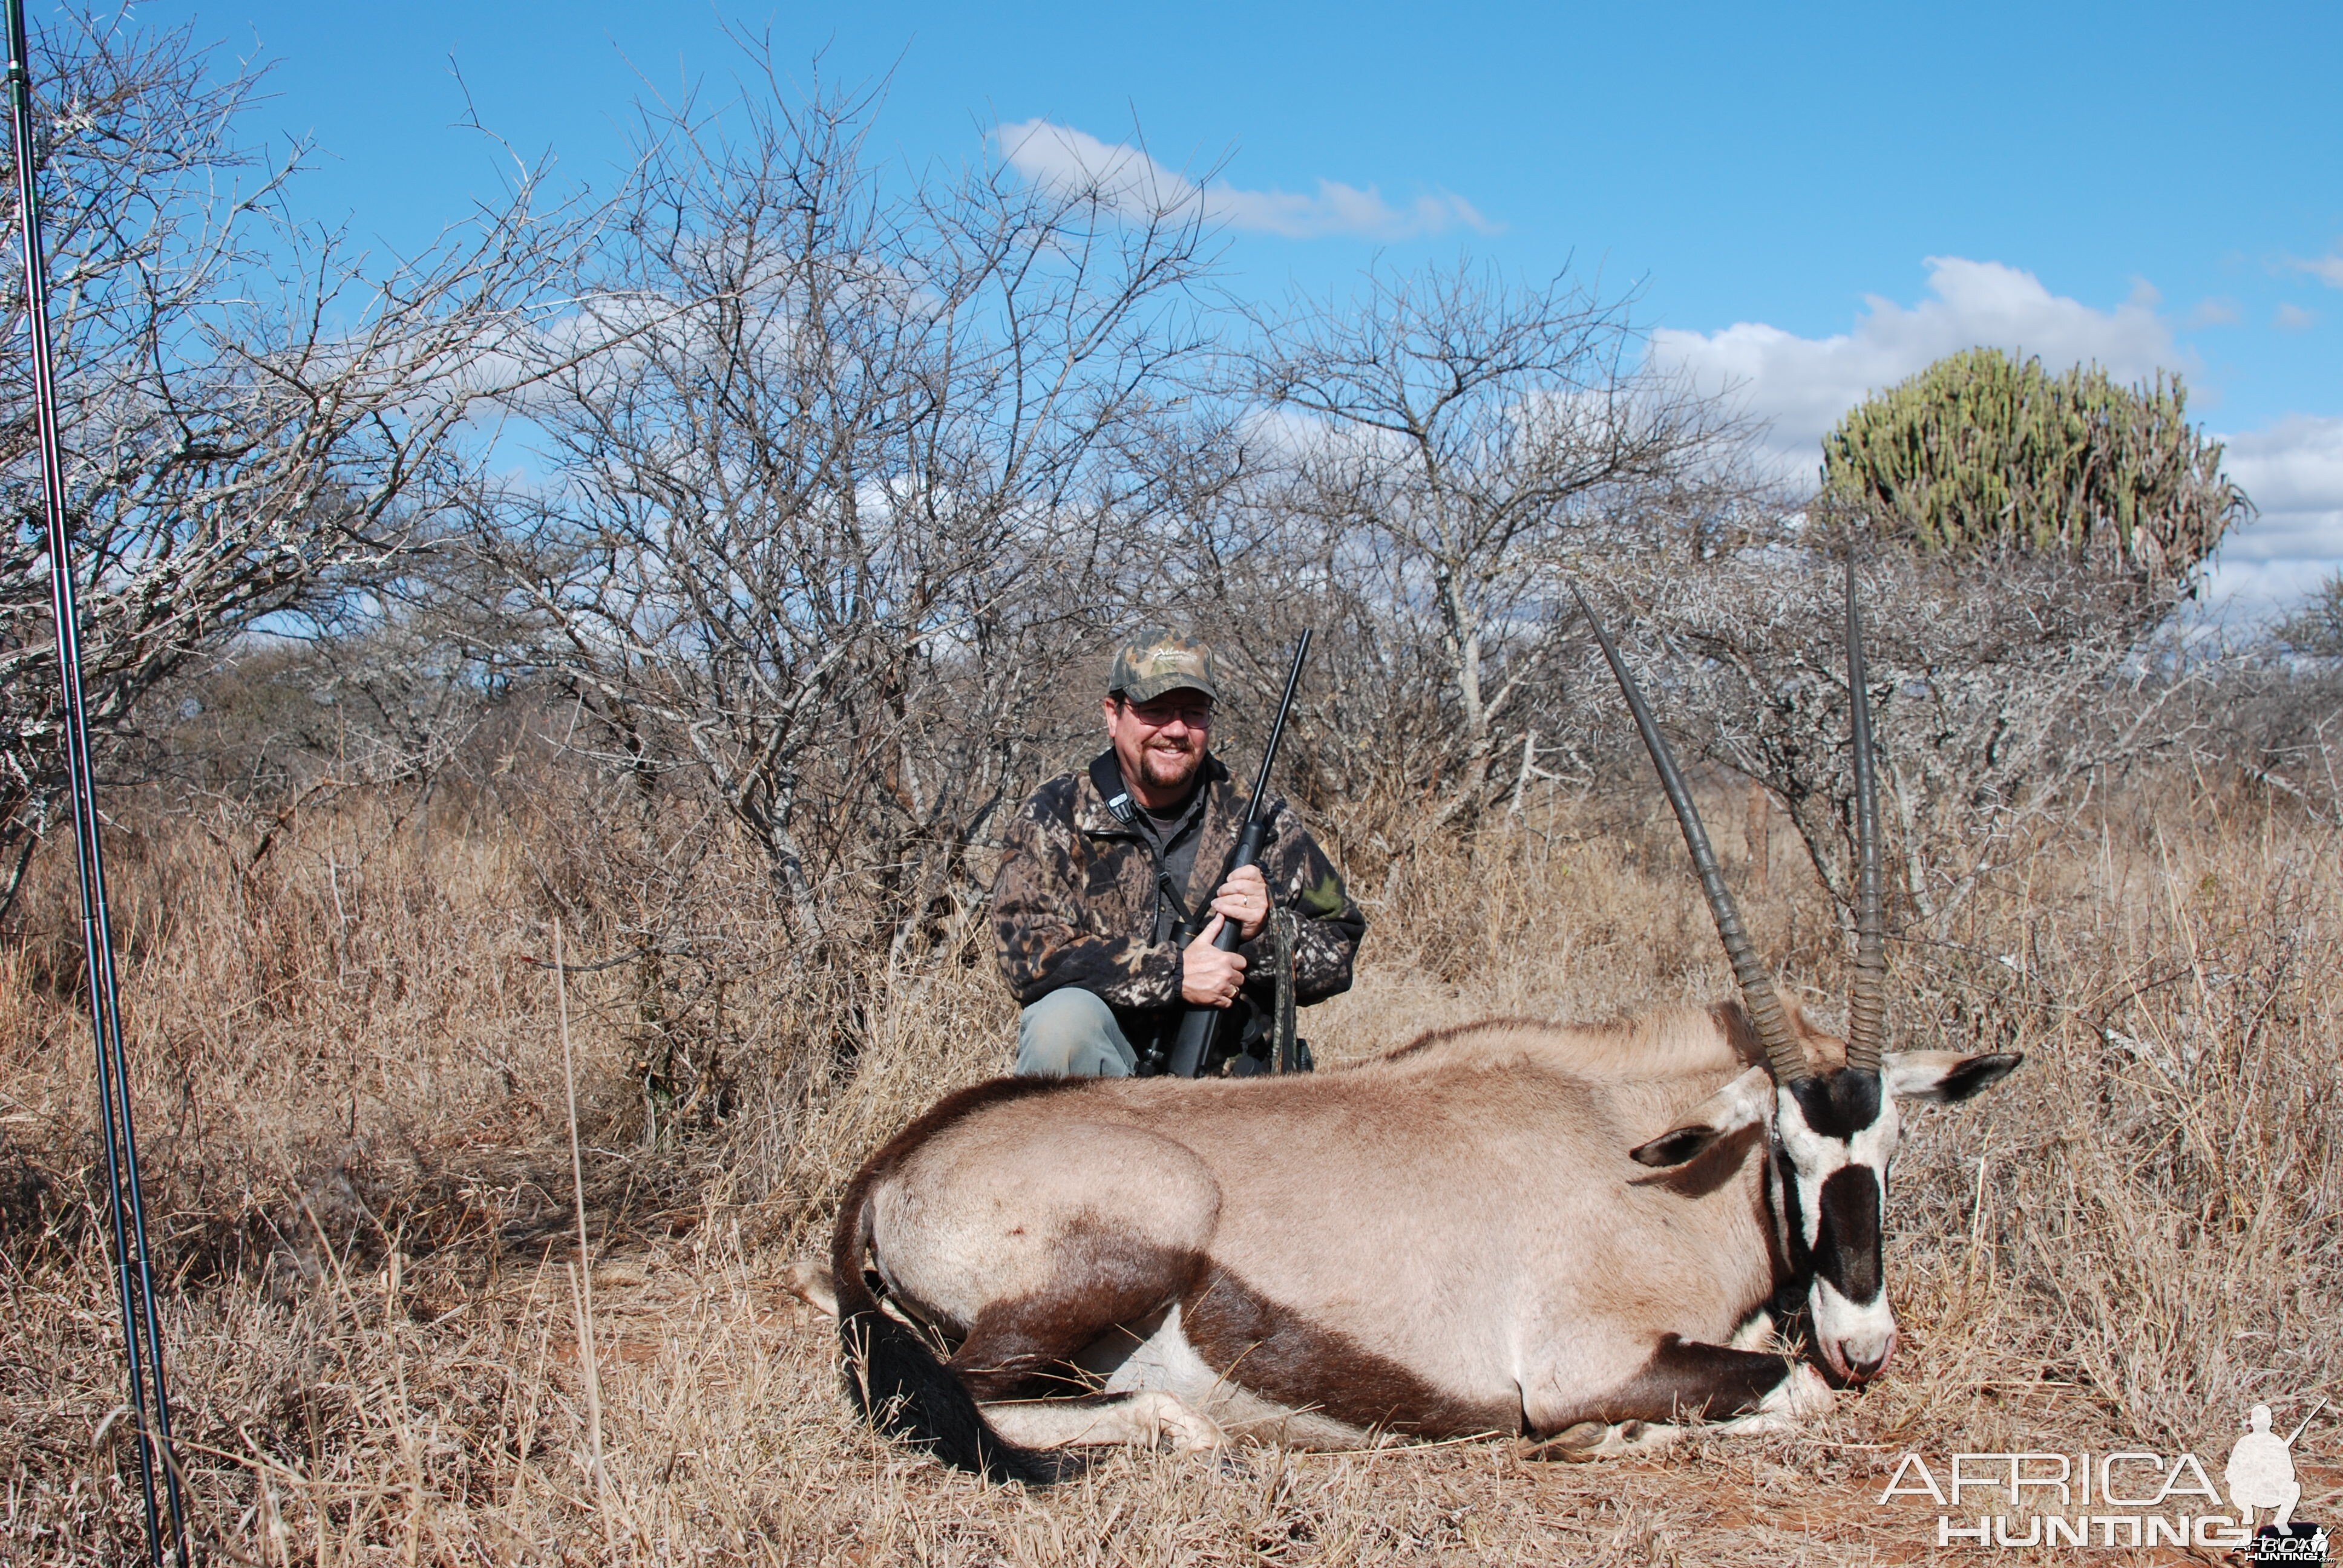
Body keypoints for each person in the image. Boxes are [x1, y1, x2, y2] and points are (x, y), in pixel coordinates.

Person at [991, 627, 1365, 1077]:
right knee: (1060, 1025)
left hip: (1237, 1085)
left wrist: (1266, 931)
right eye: (1154, 710)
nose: (1175, 730)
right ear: (1113, 715)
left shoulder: (1262, 818)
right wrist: (1174, 974)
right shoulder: (1055, 812)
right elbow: (1028, 957)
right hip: (1109, 1073)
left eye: (1193, 712)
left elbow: (1340, 952)